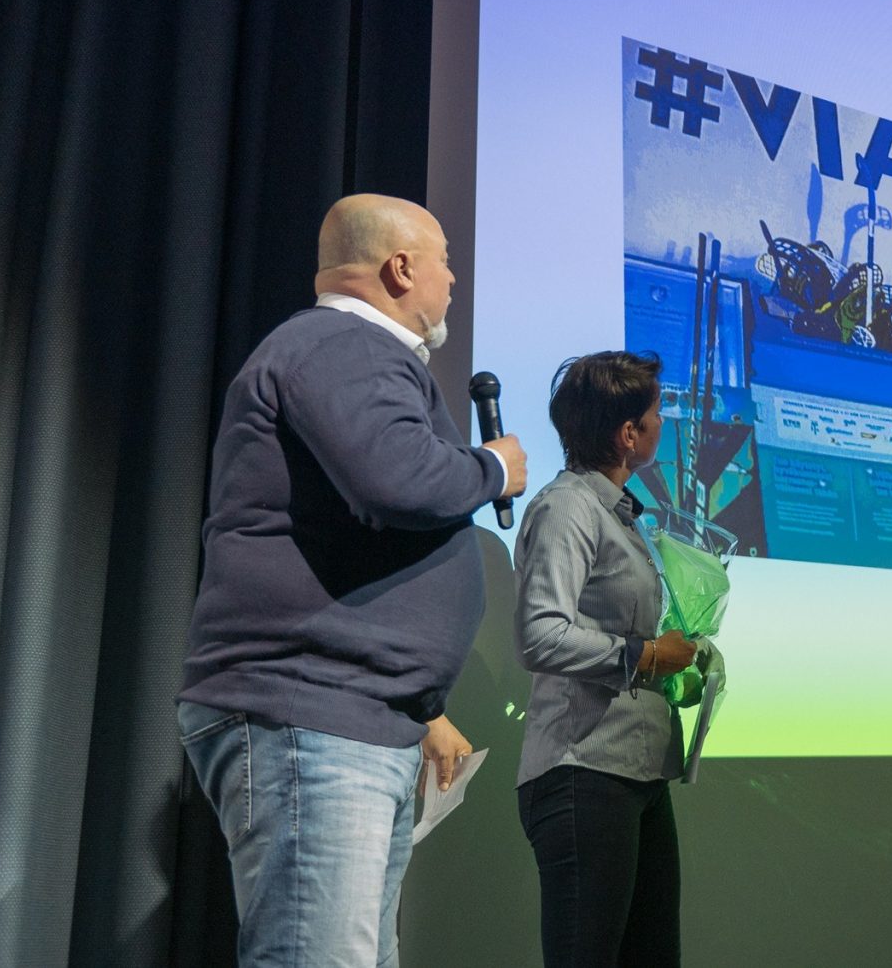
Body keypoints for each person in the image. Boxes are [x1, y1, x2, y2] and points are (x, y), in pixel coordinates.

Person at [177, 194, 530, 967]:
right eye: (444, 260)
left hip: (350, 712)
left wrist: (421, 705)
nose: (454, 279)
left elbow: (354, 540)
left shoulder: (347, 352)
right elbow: (397, 480)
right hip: (312, 712)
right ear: (400, 268)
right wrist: (493, 466)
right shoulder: (344, 342)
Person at [517, 351, 698, 967]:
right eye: (657, 413)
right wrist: (647, 656)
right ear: (628, 435)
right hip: (583, 773)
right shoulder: (567, 507)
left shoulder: (621, 513)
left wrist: (675, 667)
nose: (662, 424)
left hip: (636, 774)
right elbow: (541, 635)